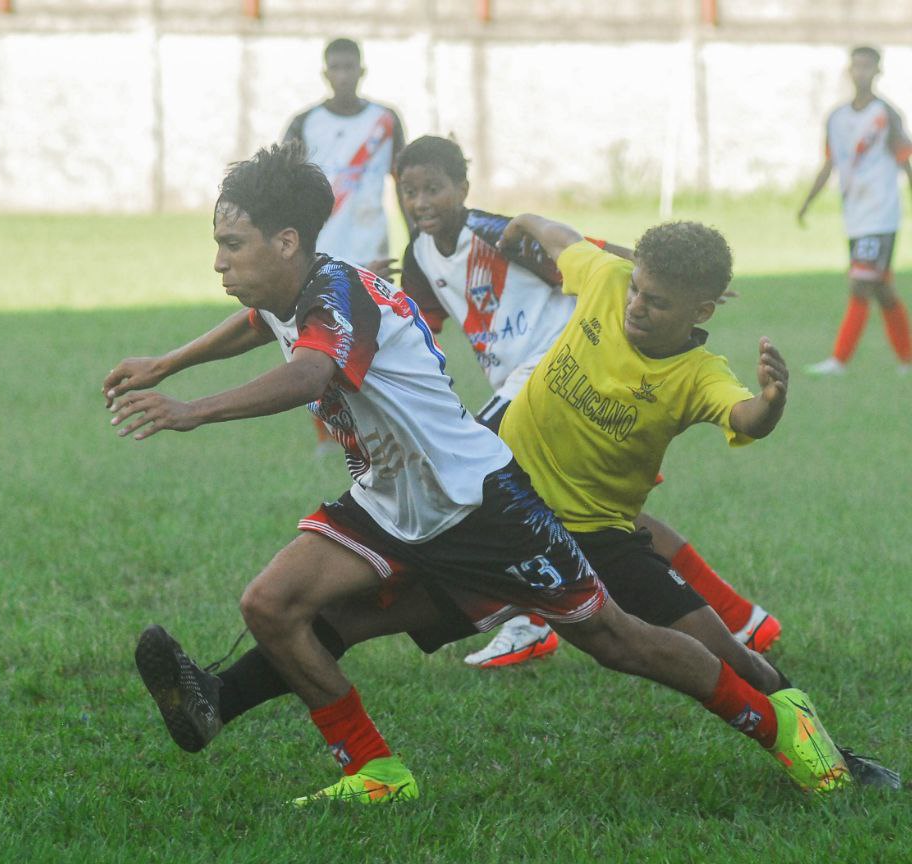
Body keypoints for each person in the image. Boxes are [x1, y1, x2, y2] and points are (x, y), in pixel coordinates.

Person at [108, 143, 852, 804]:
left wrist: (191, 409)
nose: (218, 261)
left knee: (617, 639)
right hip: (391, 502)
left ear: (287, 241)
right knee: (270, 604)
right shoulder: (286, 289)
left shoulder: (338, 295)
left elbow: (309, 375)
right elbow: (258, 324)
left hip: (481, 506)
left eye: (230, 244)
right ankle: (374, 772)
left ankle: (775, 724)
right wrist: (167, 361)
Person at [393, 135, 780, 669]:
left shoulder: (491, 232)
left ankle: (528, 623)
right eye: (408, 191)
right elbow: (419, 326)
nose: (420, 203)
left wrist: (669, 276)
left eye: (432, 189)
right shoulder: (417, 253)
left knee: (475, 477)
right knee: (611, 524)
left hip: (555, 369)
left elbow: (584, 252)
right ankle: (741, 617)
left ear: (462, 188)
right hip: (520, 383)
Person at [283, 37, 408, 453]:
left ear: (361, 71)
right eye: (334, 69)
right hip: (321, 252)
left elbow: (404, 183)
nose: (342, 76)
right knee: (316, 341)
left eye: (348, 68)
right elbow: (285, 190)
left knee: (377, 339)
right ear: (325, 74)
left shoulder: (386, 120)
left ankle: (382, 427)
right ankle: (329, 434)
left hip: (373, 248)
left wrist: (415, 243)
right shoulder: (304, 123)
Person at [798, 45, 912, 375]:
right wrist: (807, 202)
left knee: (861, 283)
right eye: (856, 65)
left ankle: (839, 360)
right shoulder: (836, 117)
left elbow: (904, 160)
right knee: (881, 287)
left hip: (881, 212)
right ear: (849, 71)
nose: (861, 72)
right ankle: (907, 358)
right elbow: (830, 162)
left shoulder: (886, 114)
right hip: (855, 214)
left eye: (868, 66)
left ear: (878, 72)